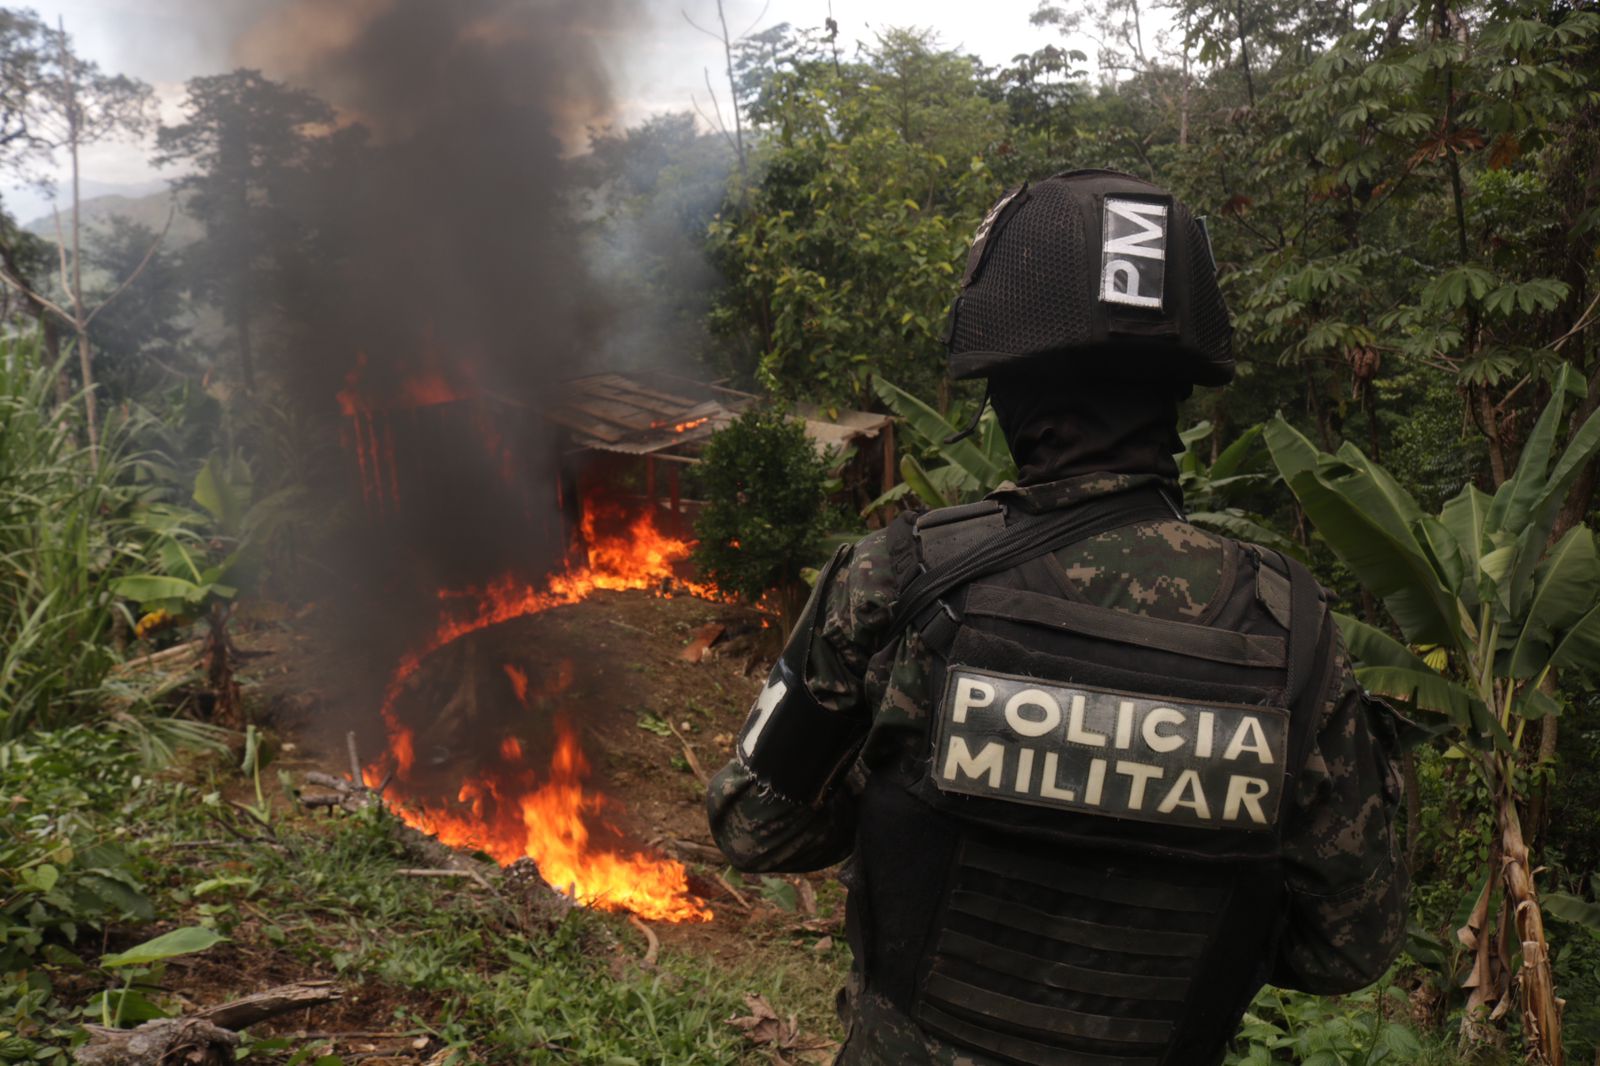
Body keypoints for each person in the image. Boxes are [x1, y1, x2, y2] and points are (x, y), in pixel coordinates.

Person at [707, 169, 1409, 1066]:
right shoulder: (1290, 631)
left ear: (1006, 388)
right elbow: (1350, 946)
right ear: (1182, 393)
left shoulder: (896, 578)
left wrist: (908, 787)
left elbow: (754, 826)